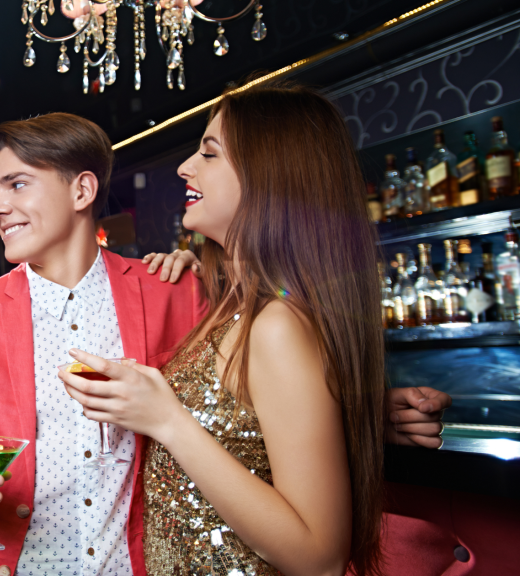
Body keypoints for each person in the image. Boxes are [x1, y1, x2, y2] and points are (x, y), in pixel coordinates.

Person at [0, 110, 452, 576]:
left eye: (17, 184)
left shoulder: (178, 291)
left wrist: (362, 410)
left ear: (81, 190)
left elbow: (248, 391)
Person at [58, 83, 395, 575]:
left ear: (269, 176)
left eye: (209, 154)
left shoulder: (278, 324)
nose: (184, 167)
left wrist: (168, 421)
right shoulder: (231, 304)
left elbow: (320, 559)